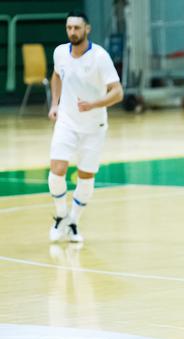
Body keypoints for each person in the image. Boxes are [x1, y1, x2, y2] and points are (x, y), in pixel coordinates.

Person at [48, 11, 123, 243]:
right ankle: (60, 214)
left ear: (87, 29)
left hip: (94, 127)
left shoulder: (100, 57)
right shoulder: (60, 52)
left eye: (77, 28)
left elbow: (118, 92)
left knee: (86, 176)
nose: (72, 32)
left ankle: (73, 221)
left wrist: (94, 104)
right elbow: (56, 76)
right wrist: (55, 103)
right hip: (67, 123)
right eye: (69, 28)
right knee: (56, 170)